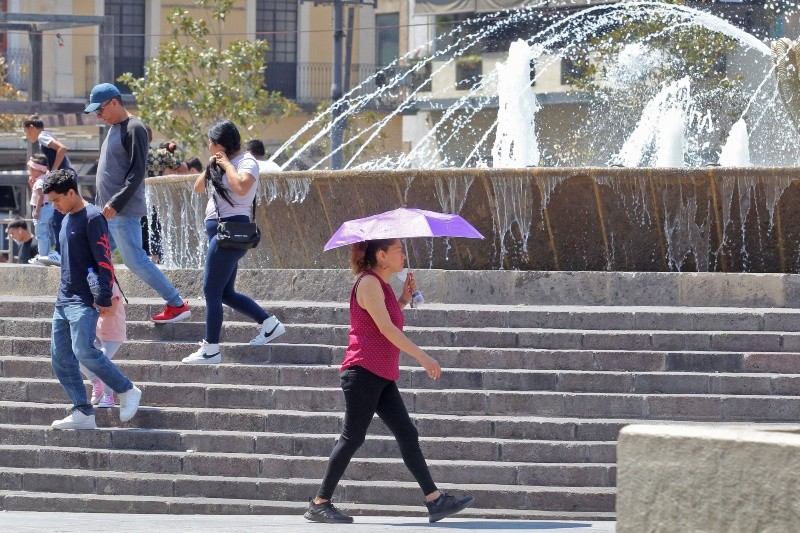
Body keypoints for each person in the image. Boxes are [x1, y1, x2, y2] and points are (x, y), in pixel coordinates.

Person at [303, 238, 474, 524]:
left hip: (379, 373)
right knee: (352, 437)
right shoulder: (369, 282)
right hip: (363, 372)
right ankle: (319, 503)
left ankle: (435, 500)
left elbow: (384, 319)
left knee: (407, 433)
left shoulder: (380, 285)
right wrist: (422, 356)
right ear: (382, 255)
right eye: (398, 250)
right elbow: (385, 328)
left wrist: (403, 299)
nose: (403, 255)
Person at [43, 168, 142, 430]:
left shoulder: (93, 216)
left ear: (71, 192)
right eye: (51, 201)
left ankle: (127, 389)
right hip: (63, 300)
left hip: (84, 300)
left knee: (83, 350)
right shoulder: (65, 219)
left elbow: (104, 259)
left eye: (57, 200)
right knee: (60, 359)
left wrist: (104, 297)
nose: (55, 206)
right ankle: (83, 412)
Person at [84, 82, 190, 323]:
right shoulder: (115, 127)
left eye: (100, 110)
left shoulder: (134, 128)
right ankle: (95, 302)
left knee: (135, 260)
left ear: (114, 102)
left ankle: (176, 304)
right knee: (93, 256)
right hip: (107, 211)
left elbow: (137, 172)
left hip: (121, 211)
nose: (98, 116)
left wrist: (116, 202)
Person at [182, 120, 285, 365]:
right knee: (225, 293)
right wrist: (212, 165)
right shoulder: (218, 162)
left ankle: (211, 349)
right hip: (221, 233)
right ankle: (269, 323)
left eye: (210, 142)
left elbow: (241, 187)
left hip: (230, 233)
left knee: (211, 290)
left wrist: (227, 165)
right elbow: (198, 188)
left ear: (220, 144)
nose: (208, 146)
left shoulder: (247, 162)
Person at [23, 114, 73, 266]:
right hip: (64, 177)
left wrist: (53, 171)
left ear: (31, 127)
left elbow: (62, 148)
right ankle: (58, 252)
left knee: (59, 218)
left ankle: (59, 252)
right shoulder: (46, 136)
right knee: (59, 217)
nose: (27, 136)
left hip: (64, 177)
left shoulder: (42, 136)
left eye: (26, 131)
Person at [144, 127, 188, 263]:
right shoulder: (161, 154)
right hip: (157, 198)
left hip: (134, 200)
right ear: (151, 138)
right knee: (156, 227)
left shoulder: (128, 155)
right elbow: (184, 169)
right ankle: (157, 257)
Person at [81, 279, 126, 408]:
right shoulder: (91, 282)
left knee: (102, 362)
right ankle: (96, 381)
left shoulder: (111, 285)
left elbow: (111, 310)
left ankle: (109, 396)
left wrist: (90, 308)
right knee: (77, 354)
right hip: (97, 332)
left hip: (113, 333)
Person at [26, 154, 55, 262]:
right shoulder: (44, 178)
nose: (30, 172)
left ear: (36, 170)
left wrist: (37, 211)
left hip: (41, 208)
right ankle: (45, 254)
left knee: (40, 234)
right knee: (45, 233)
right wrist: (32, 185)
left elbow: (41, 196)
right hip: (46, 207)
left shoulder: (39, 182)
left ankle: (42, 255)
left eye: (31, 169)